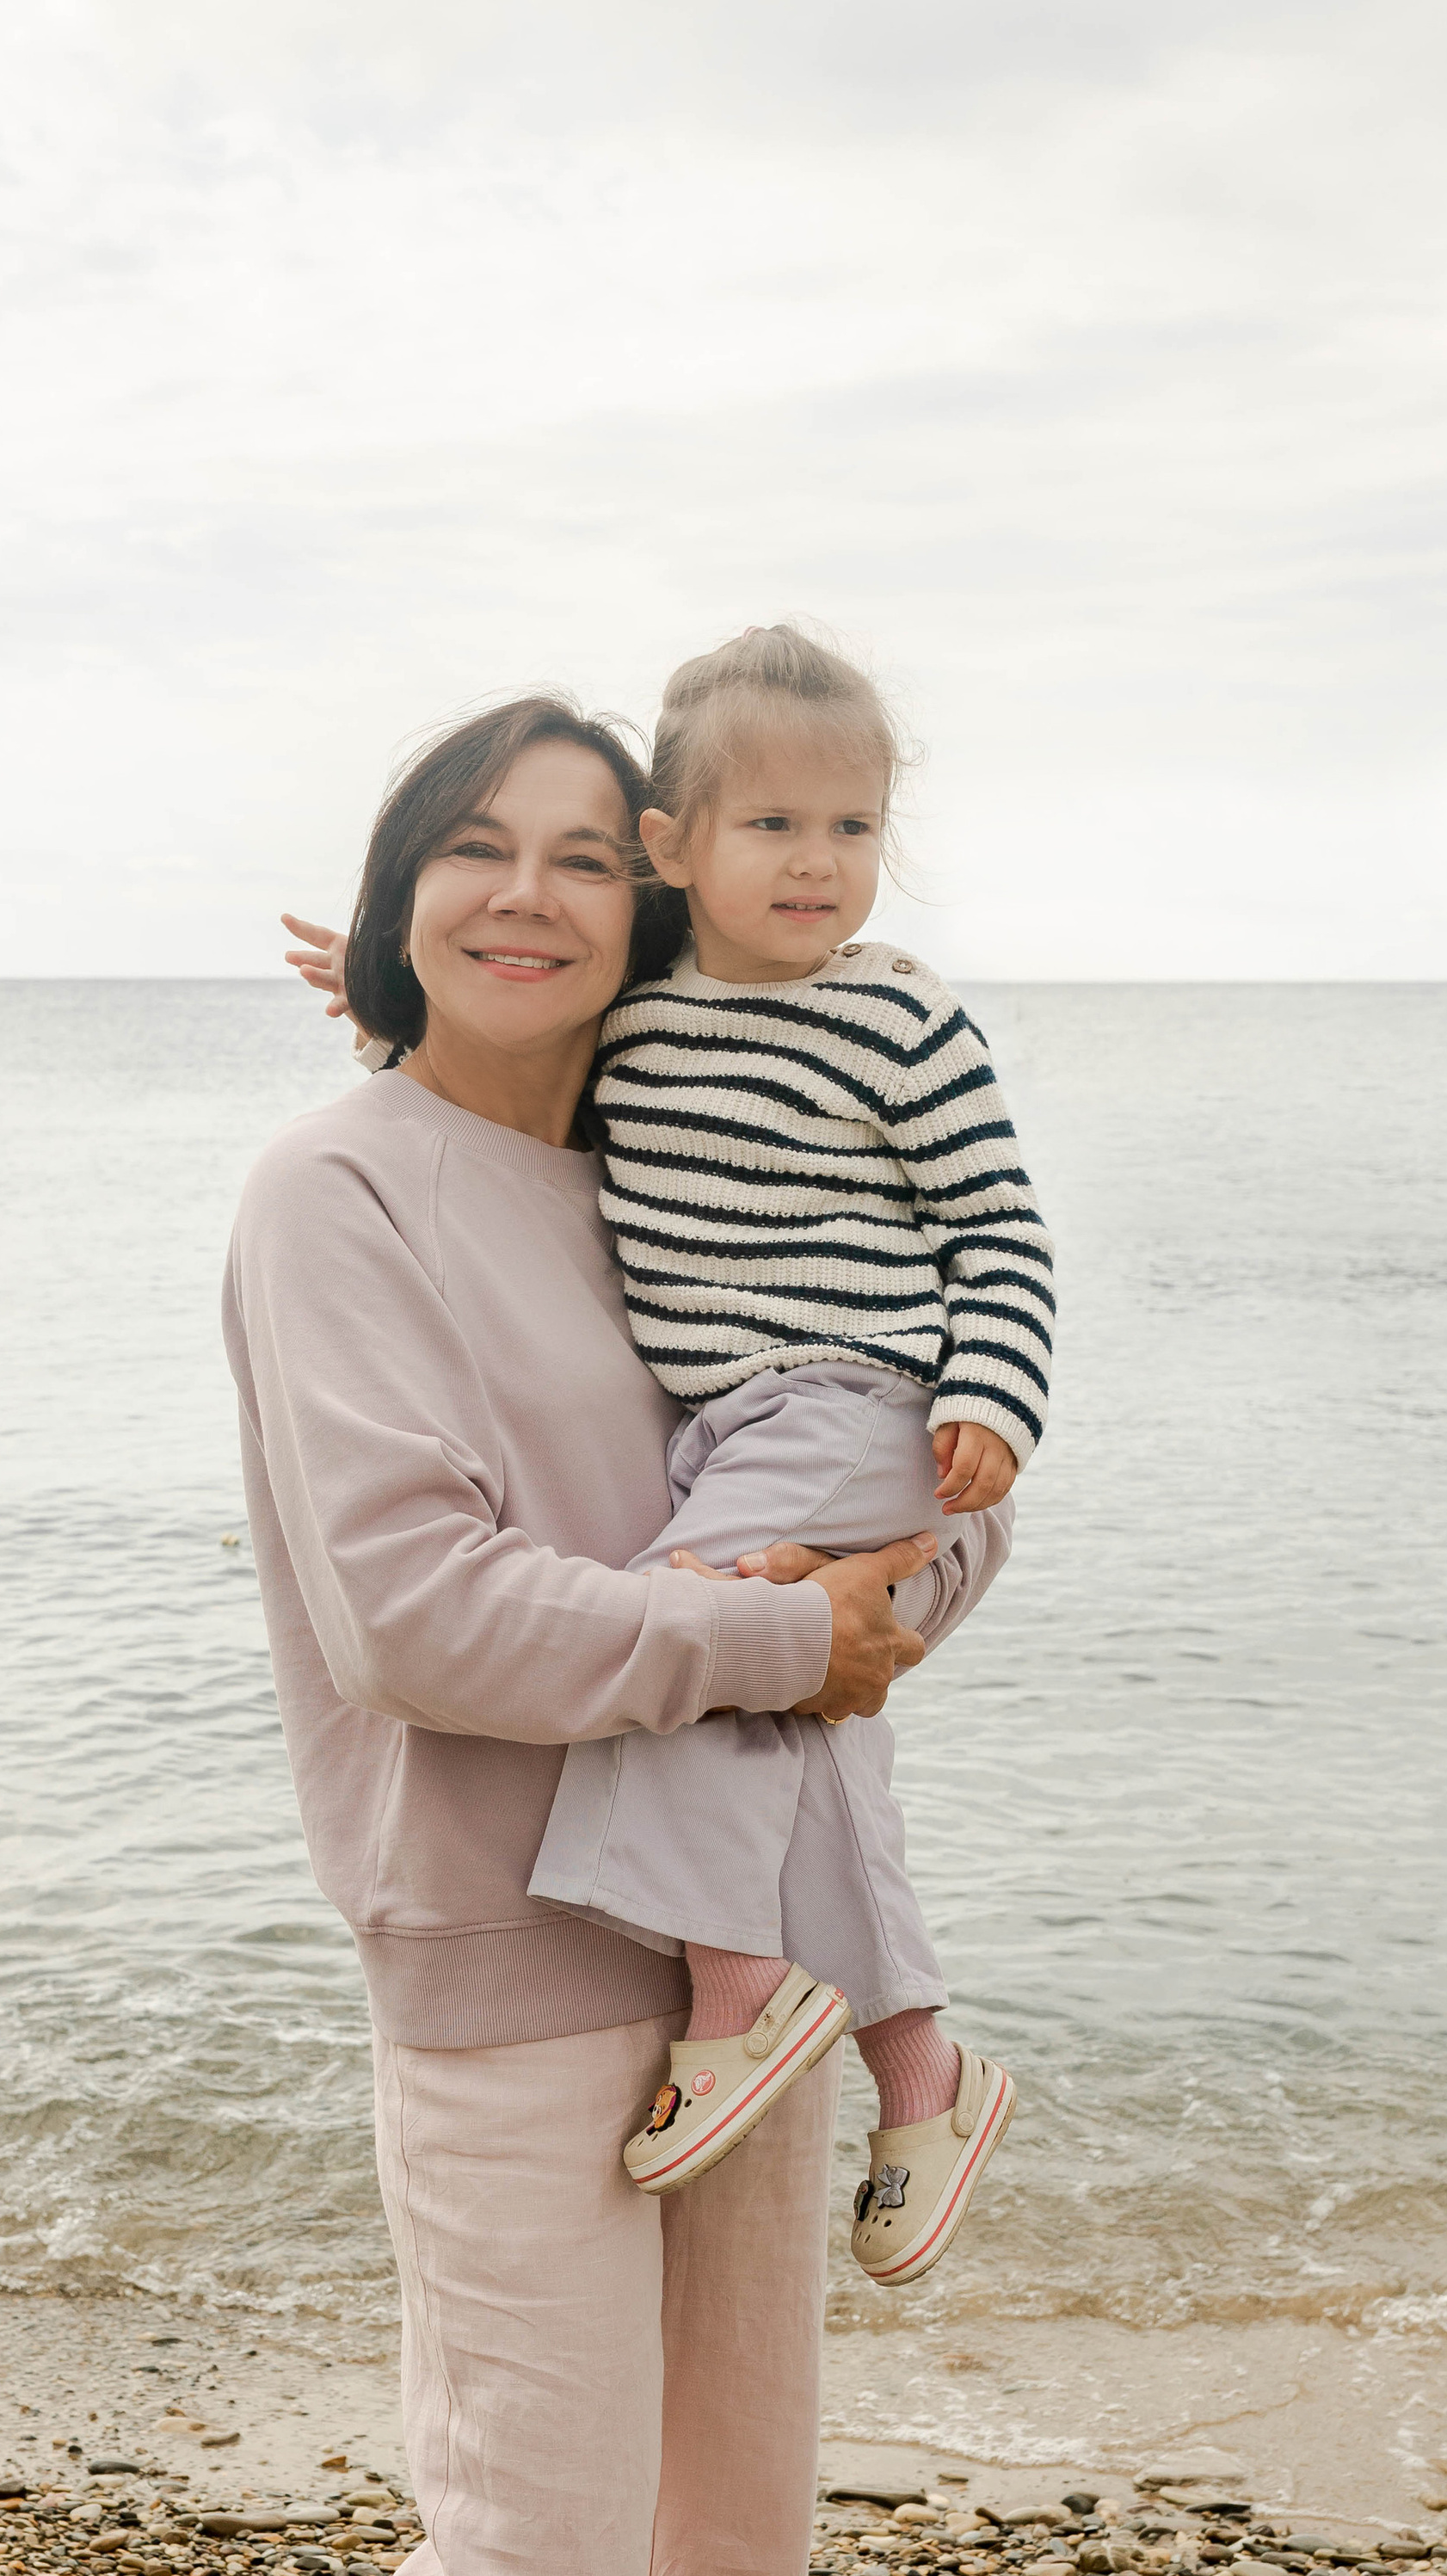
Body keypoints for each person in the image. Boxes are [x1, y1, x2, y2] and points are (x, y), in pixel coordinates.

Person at [206, 692, 1012, 2576]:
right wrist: (786, 1636)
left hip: (737, 1937)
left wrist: (908, 1581)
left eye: (579, 852)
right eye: (475, 848)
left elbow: (881, 1471)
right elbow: (427, 1615)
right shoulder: (336, 1191)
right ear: (402, 886)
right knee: (538, 2563)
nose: (526, 891)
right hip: (502, 1937)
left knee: (727, 2531)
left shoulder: (687, 1164)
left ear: (654, 900)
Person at [530, 624, 1050, 2277]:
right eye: (773, 827)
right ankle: (922, 2073)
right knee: (793, 1713)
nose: (820, 863)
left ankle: (735, 1994)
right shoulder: (633, 1014)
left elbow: (1003, 1232)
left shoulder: (898, 1024)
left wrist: (991, 1397)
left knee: (677, 1621)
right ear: (675, 850)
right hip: (733, 1422)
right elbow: (504, 1022)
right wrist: (379, 999)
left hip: (849, 1394)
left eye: (854, 827)